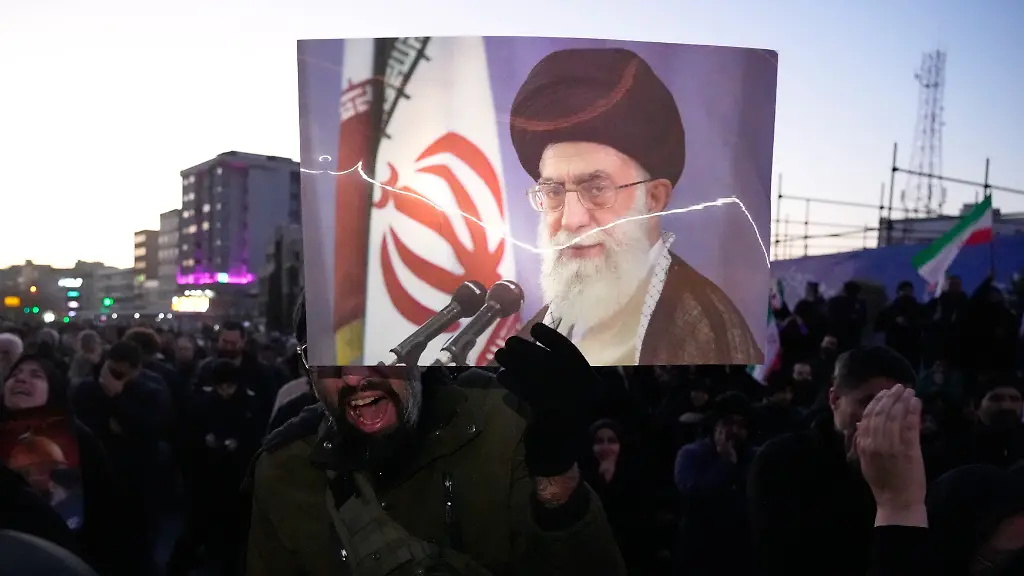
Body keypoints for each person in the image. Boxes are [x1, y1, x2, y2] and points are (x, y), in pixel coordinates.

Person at [244, 296, 625, 576]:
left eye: (375, 348)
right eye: (327, 359)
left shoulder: (504, 426)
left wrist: (556, 477)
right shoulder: (286, 472)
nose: (355, 377)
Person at [506, 47, 760, 366]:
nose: (570, 220)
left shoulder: (705, 328)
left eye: (596, 189)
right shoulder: (543, 326)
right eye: (554, 192)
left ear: (653, 199)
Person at [748, 345, 918, 575]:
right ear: (835, 399)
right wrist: (859, 480)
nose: (881, 417)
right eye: (869, 402)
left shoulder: (915, 464)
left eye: (895, 408)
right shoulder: (781, 461)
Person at [0, 354, 118, 575]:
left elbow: (104, 509)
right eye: (15, 374)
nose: (21, 379)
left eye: (36, 375)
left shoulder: (78, 439)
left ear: (53, 388)